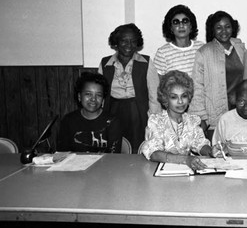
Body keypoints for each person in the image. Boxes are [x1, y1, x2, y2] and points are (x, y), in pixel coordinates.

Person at [98, 23, 161, 153]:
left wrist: (154, 121)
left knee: (138, 148)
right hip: (113, 111)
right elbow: (100, 94)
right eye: (124, 41)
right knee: (115, 147)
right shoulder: (105, 64)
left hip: (137, 112)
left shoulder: (146, 63)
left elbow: (154, 96)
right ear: (116, 42)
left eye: (133, 41)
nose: (129, 44)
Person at [189, 11, 246, 140]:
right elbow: (197, 86)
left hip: (239, 111)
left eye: (227, 26)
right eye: (218, 28)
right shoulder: (204, 52)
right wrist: (201, 117)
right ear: (212, 30)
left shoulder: (241, 48)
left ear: (233, 28)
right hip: (214, 113)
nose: (224, 31)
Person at [141, 70, 212, 171]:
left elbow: (200, 144)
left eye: (184, 96)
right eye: (174, 97)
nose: (180, 101)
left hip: (187, 175)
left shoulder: (191, 121)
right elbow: (154, 153)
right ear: (165, 98)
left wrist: (212, 151)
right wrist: (185, 160)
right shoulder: (156, 121)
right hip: (159, 175)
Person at [58, 72, 122, 153]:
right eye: (88, 94)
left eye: (98, 95)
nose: (93, 99)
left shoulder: (113, 122)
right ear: (79, 97)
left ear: (103, 99)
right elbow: (62, 153)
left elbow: (114, 156)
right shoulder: (68, 120)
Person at [154, 4, 204, 77]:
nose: (181, 25)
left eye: (185, 21)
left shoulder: (201, 48)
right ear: (171, 28)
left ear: (191, 26)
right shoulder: (162, 53)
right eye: (176, 22)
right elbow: (158, 84)